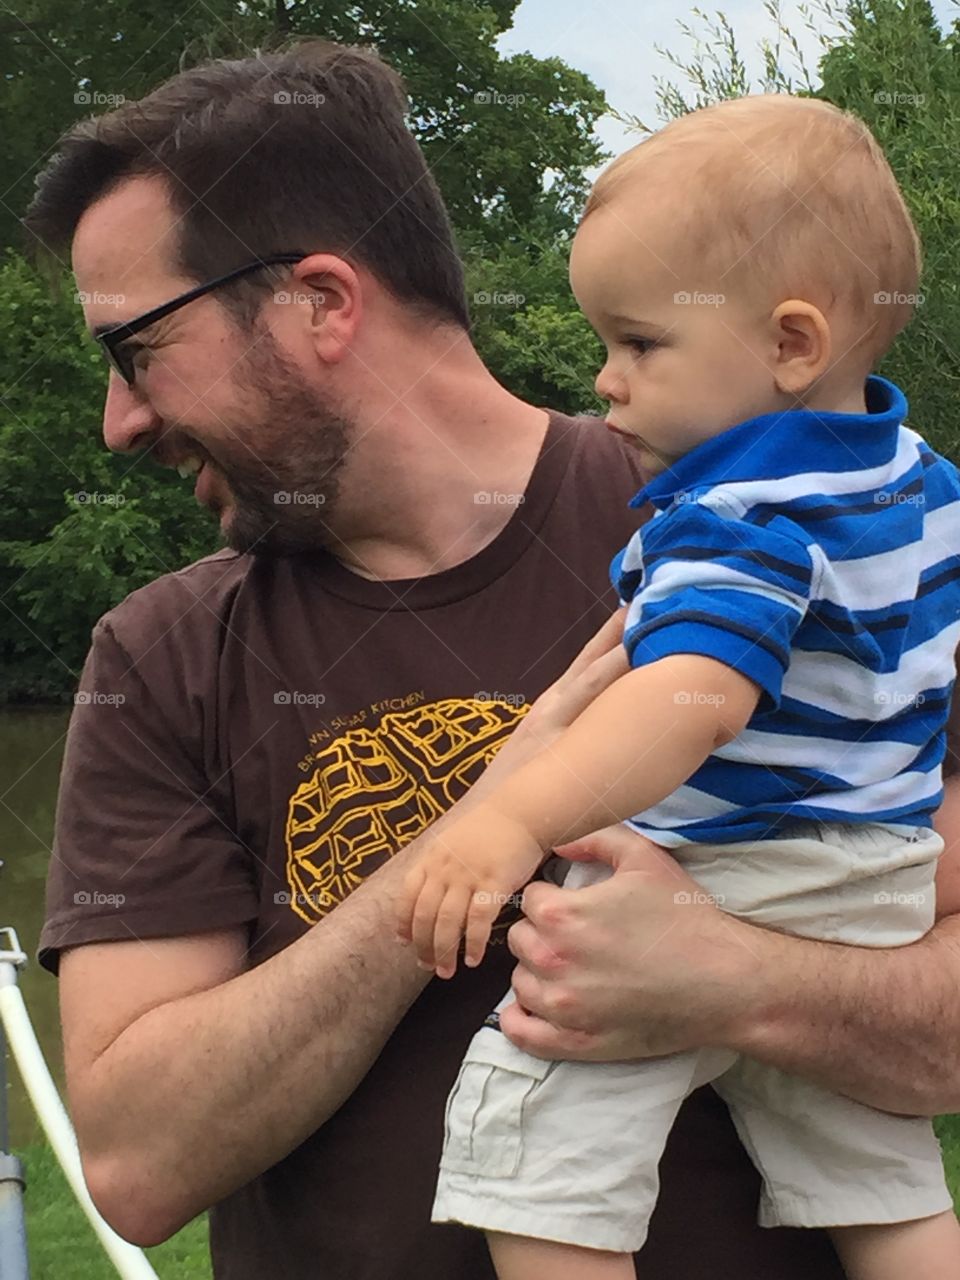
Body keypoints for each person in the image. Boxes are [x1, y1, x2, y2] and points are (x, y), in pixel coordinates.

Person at [25, 41, 960, 1280]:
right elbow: (139, 1163)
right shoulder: (160, 658)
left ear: (319, 303)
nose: (119, 420)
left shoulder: (771, 528)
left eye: (135, 348)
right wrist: (472, 838)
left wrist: (733, 980)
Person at [397, 94, 960, 1280]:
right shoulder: (924, 484)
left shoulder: (738, 518)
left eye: (640, 343)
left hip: (723, 871)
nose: (606, 381)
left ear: (790, 345)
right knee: (878, 1175)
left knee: (539, 1131)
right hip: (877, 886)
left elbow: (691, 699)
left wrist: (513, 811)